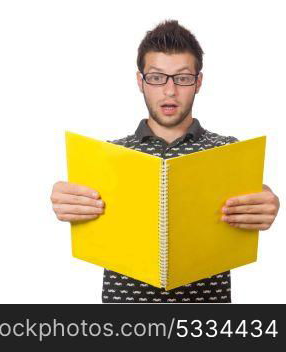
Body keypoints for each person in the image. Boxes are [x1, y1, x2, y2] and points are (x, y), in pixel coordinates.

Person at [49, 20, 279, 303]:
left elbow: (257, 195)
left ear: (198, 82)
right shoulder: (107, 155)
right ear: (140, 81)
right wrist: (63, 200)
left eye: (182, 78)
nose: (169, 91)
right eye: (157, 77)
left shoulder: (227, 152)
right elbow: (75, 205)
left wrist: (269, 200)